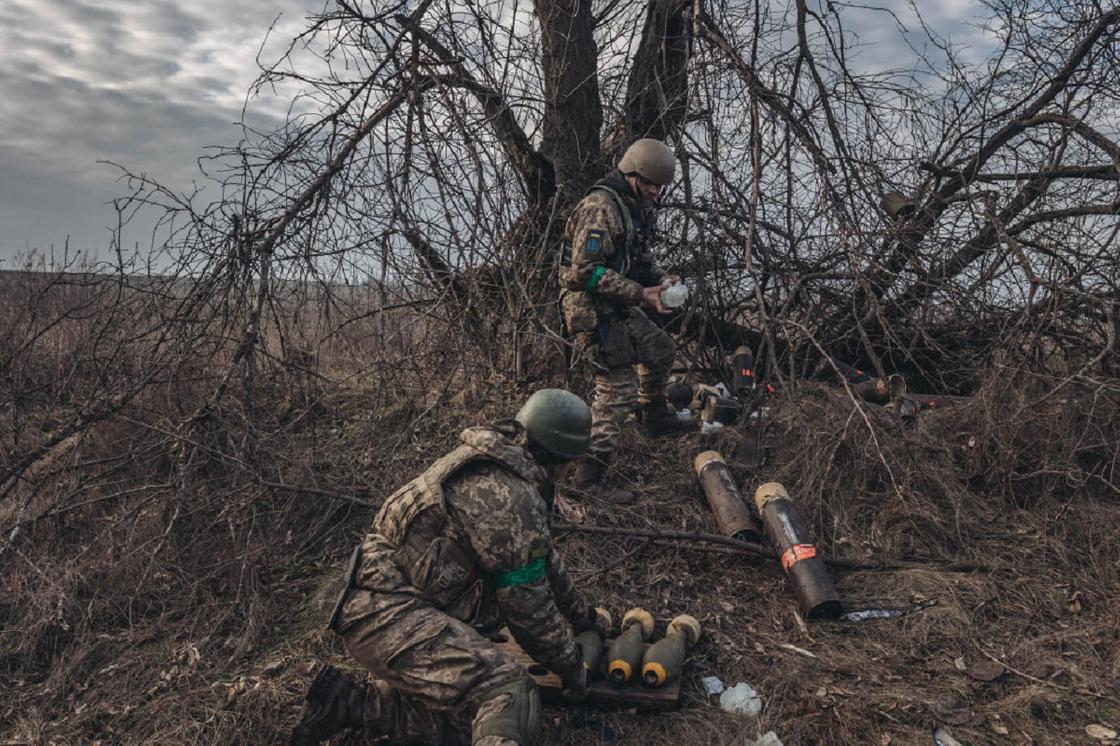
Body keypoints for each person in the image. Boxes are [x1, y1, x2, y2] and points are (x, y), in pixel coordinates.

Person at [291, 389, 611, 746]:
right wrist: (571, 669)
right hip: (389, 616)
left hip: (379, 607)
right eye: (571, 464)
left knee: (473, 723)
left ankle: (350, 702)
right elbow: (529, 611)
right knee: (508, 691)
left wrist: (584, 619)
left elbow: (542, 560)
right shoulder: (508, 497)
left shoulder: (494, 469)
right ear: (559, 456)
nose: (570, 473)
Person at [559, 138, 695, 504]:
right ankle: (588, 482)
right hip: (591, 308)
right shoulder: (601, 208)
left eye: (658, 186)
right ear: (630, 173)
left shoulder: (635, 206)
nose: (654, 191)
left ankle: (653, 417)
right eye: (648, 182)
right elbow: (584, 272)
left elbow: (641, 257)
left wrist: (662, 280)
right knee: (616, 391)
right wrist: (642, 294)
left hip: (617, 302)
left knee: (661, 348)